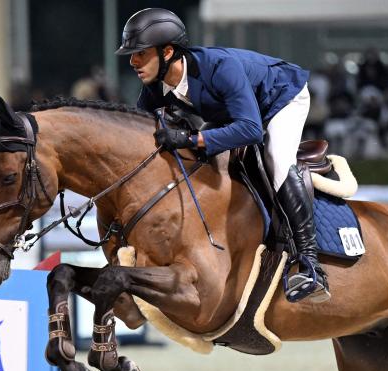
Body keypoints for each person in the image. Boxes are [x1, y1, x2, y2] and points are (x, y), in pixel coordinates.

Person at [115, 8, 329, 303]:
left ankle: (310, 263)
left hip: (280, 98)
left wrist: (192, 137)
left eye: (140, 53)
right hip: (234, 111)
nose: (133, 61)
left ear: (167, 52)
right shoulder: (155, 88)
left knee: (277, 159)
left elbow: (252, 129)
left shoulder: (220, 68)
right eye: (132, 54)